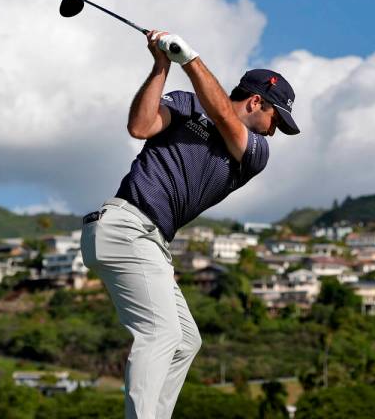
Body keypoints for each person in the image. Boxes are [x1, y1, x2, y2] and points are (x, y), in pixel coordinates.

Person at [80, 30, 299, 419]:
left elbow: (223, 117)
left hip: (151, 242)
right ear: (256, 101)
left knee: (185, 341)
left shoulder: (254, 152)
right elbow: (140, 126)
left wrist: (191, 60)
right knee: (161, 334)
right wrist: (161, 67)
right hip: (126, 228)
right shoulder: (185, 104)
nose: (273, 131)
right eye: (275, 119)